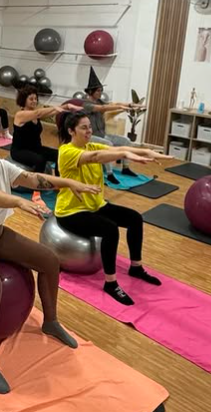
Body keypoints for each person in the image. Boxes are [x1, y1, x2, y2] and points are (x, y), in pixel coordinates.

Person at [0, 114, 101, 393]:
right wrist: (17, 201)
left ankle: (51, 322)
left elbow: (32, 178)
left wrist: (69, 183)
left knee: (50, 261)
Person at [55, 111, 170, 306]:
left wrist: (146, 151)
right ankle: (110, 283)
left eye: (90, 127)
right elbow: (97, 157)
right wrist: (125, 154)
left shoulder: (90, 145)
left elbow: (117, 147)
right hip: (71, 211)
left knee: (134, 218)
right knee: (109, 229)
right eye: (84, 127)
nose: (89, 131)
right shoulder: (67, 151)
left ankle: (136, 267)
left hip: (95, 205)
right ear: (71, 131)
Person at [81, 67, 144, 185]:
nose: (101, 93)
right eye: (98, 91)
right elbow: (103, 108)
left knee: (126, 141)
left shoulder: (99, 101)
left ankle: (125, 168)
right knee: (108, 145)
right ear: (91, 92)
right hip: (90, 137)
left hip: (102, 135)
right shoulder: (86, 104)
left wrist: (130, 105)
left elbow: (114, 104)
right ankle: (110, 174)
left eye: (101, 90)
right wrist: (121, 108)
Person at [10, 84, 81, 174]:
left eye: (36, 99)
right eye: (31, 99)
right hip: (20, 151)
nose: (34, 101)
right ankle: (36, 186)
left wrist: (66, 106)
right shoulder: (20, 115)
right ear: (24, 100)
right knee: (40, 160)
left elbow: (54, 111)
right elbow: (38, 113)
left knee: (60, 155)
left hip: (36, 148)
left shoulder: (35, 114)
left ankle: (58, 183)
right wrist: (54, 107)